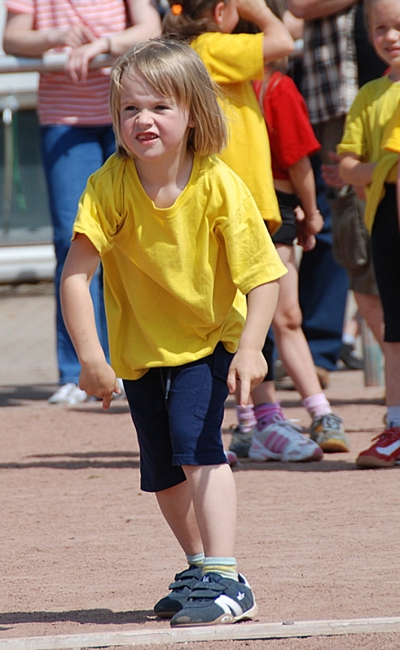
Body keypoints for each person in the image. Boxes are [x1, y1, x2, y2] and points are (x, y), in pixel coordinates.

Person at [60, 39, 287, 625]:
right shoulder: (108, 185)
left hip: (209, 340)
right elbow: (75, 278)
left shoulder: (219, 185)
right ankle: (198, 567)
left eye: (160, 107)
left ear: (193, 114)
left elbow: (264, 277)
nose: (144, 120)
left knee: (198, 450)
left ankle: (229, 578)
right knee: (161, 469)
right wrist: (90, 357)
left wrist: (251, 347)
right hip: (139, 352)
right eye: (131, 109)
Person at [2, 0, 162, 404]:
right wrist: (57, 38)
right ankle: (78, 371)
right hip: (65, 122)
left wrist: (102, 44)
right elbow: (12, 37)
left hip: (127, 118)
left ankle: (131, 363)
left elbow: (151, 27)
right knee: (73, 241)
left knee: (134, 242)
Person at [241, 0, 349, 461]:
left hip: (258, 211)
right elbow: (300, 161)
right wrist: (312, 210)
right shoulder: (276, 87)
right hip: (274, 211)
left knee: (262, 320)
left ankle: (261, 418)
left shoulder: (217, 85)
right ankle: (309, 413)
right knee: (284, 316)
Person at [287, 0, 385, 379]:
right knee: (349, 235)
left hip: (384, 94)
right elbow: (299, 5)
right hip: (339, 101)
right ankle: (322, 351)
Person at [163, 0, 294, 235]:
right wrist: (261, 12)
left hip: (223, 195)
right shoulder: (211, 47)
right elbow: (283, 42)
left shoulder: (194, 48)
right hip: (238, 194)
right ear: (220, 11)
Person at [337, 0, 400, 468]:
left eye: (399, 26)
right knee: (395, 325)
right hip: (386, 220)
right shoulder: (369, 94)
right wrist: (384, 169)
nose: (390, 36)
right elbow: (346, 165)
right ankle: (396, 424)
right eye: (380, 27)